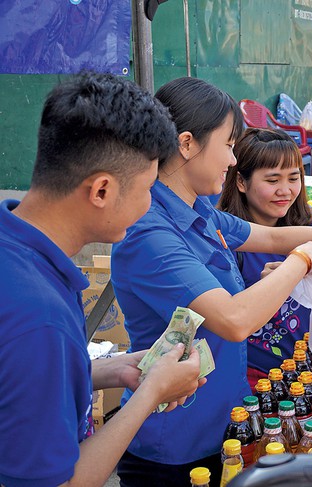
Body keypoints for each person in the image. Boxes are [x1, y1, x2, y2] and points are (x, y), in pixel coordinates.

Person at [110, 78, 312, 486]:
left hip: (223, 429)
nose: (233, 160)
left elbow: (270, 236)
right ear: (187, 144)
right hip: (173, 444)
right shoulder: (151, 233)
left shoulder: (199, 211)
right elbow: (233, 320)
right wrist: (301, 261)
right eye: (229, 145)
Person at [0, 72, 206, 487]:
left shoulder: (20, 252)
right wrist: (151, 394)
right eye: (149, 188)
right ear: (101, 191)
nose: (151, 204)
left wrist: (113, 370)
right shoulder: (39, 317)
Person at [217, 127, 312, 387]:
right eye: (273, 180)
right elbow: (228, 317)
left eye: (293, 178)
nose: (285, 190)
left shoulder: (307, 223)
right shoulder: (226, 238)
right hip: (258, 380)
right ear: (241, 182)